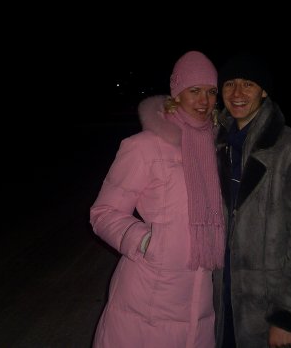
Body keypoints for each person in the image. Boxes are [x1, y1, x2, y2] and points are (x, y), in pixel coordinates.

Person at [89, 51, 226, 348]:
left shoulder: (213, 150)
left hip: (199, 298)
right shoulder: (144, 146)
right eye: (194, 90)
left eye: (211, 91)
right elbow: (103, 212)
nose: (204, 100)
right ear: (177, 93)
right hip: (148, 297)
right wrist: (145, 241)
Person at [213, 52, 291, 348]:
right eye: (229, 84)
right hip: (218, 301)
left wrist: (288, 317)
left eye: (248, 84)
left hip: (265, 308)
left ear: (264, 91)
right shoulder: (214, 145)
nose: (237, 93)